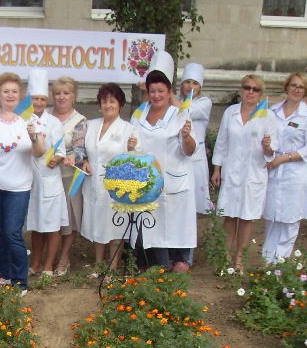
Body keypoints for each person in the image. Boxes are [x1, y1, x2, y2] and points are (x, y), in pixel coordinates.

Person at [0, 72, 45, 295]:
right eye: (6, 91)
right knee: (0, 232)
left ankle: (20, 281)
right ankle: (5, 274)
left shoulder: (31, 120)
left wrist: (34, 137)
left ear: (21, 94)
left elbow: (39, 153)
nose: (10, 95)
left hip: (19, 188)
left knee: (13, 233)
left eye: (14, 91)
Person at [131, 64, 198, 272]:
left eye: (161, 91)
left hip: (174, 180)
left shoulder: (180, 115)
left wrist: (186, 137)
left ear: (169, 92)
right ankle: (155, 263)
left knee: (176, 225)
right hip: (148, 182)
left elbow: (190, 150)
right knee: (152, 225)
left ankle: (179, 261)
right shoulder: (139, 115)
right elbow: (133, 146)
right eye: (152, 91)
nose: (156, 95)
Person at [212, 74, 277, 271]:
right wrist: (217, 168)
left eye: (255, 89)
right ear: (241, 90)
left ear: (260, 93)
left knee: (246, 216)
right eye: (247, 87)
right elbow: (222, 142)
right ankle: (225, 257)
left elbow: (271, 151)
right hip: (232, 171)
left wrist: (267, 146)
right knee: (229, 214)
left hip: (253, 173)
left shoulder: (268, 116)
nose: (250, 92)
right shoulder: (230, 112)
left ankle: (239, 259)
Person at [80, 83, 140, 274]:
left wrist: (131, 149)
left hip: (116, 186)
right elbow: (83, 149)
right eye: (105, 101)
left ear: (120, 105)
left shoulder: (128, 129)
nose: (108, 105)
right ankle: (98, 265)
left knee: (114, 226)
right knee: (97, 223)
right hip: (92, 183)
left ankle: (112, 268)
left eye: (112, 101)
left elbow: (136, 160)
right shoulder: (91, 125)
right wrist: (85, 160)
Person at [262, 72, 307, 262]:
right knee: (272, 217)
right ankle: (267, 262)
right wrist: (268, 149)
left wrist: (284, 158)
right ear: (286, 86)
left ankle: (280, 263)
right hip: (273, 169)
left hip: (295, 172)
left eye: (301, 87)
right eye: (293, 85)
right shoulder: (273, 111)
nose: (296, 89)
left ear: (305, 91)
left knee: (289, 219)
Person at [26, 69, 67, 278]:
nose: (39, 103)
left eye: (42, 99)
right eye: (35, 98)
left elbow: (61, 150)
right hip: (31, 179)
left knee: (52, 225)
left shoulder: (54, 122)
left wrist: (56, 159)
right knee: (36, 225)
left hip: (51, 179)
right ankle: (35, 263)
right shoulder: (23, 120)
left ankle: (49, 266)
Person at [50, 76, 87, 276]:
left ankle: (64, 257)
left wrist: (73, 156)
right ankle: (48, 257)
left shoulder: (79, 121)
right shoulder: (46, 116)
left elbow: (81, 149)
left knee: (69, 218)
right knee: (51, 217)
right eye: (58, 93)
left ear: (74, 96)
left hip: (69, 176)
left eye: (66, 93)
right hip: (47, 177)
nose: (62, 97)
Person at [179, 63, 213, 215]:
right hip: (177, 153)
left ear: (200, 86)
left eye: (195, 83)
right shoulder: (176, 99)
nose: (190, 86)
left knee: (194, 202)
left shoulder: (204, 102)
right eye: (187, 82)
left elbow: (186, 111)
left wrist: (169, 98)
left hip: (196, 157)